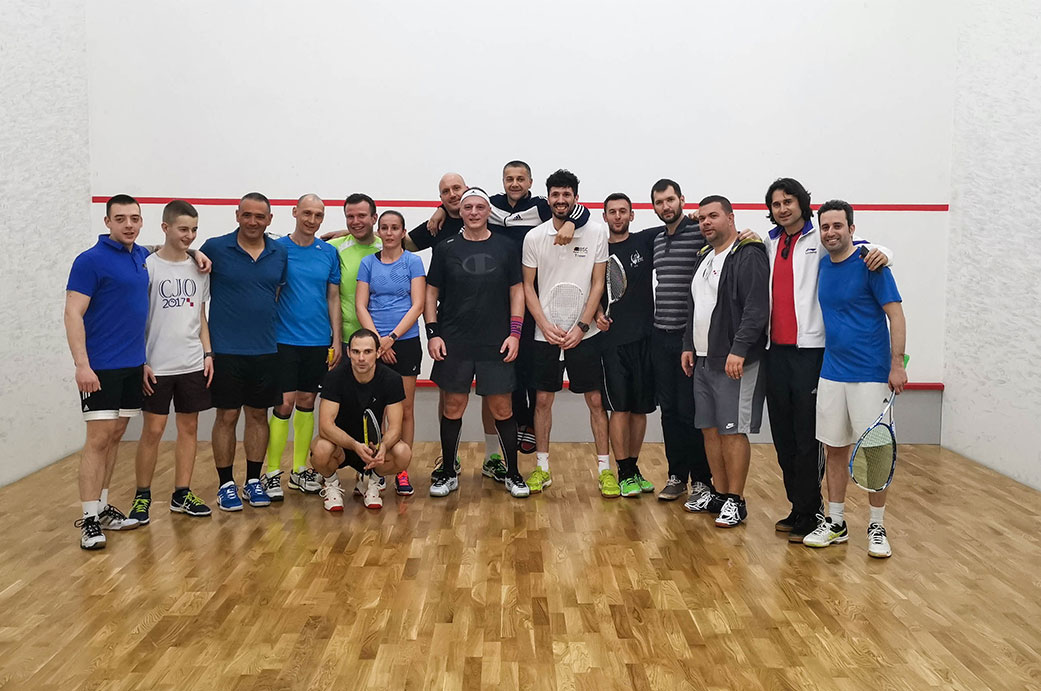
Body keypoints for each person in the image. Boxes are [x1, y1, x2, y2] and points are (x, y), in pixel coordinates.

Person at [760, 178, 893, 542]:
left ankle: (814, 510)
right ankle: (799, 507)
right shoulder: (770, 242)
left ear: (802, 204)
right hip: (776, 351)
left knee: (809, 439)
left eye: (788, 201)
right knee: (784, 438)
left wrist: (885, 252)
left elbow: (861, 247)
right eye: (776, 204)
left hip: (811, 352)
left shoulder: (818, 238)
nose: (782, 208)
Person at [803, 200, 906, 559]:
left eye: (837, 226)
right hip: (832, 373)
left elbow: (896, 316)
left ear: (851, 228)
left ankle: (877, 525)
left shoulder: (871, 265)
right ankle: (836, 522)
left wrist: (897, 364)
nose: (830, 232)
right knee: (834, 449)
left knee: (875, 453)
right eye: (825, 226)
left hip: (871, 375)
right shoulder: (822, 265)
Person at [425, 187, 528, 498]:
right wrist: (433, 333)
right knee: (453, 406)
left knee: (502, 408)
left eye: (479, 207)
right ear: (461, 211)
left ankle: (513, 473)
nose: (473, 212)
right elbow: (431, 292)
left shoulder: (507, 247)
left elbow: (517, 291)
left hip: (496, 341)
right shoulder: (445, 248)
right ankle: (448, 472)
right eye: (467, 207)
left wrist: (515, 333)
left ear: (488, 211)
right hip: (454, 340)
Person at [681, 196, 770, 527]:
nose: (706, 222)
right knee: (710, 429)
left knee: (733, 431)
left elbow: (756, 307)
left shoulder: (748, 253)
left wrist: (740, 349)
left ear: (731, 218)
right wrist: (688, 344)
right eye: (702, 217)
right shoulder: (704, 256)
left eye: (714, 216)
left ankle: (736, 499)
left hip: (734, 361)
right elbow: (695, 306)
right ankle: (719, 493)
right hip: (703, 359)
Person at [65, 194, 148, 548]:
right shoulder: (89, 261)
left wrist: (194, 253)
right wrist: (82, 365)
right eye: (121, 219)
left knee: (115, 436)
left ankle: (101, 508)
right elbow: (73, 313)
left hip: (133, 365)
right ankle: (88, 520)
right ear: (107, 222)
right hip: (100, 368)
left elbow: (167, 248)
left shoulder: (141, 256)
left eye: (134, 218)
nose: (128, 225)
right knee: (98, 440)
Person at [521, 170, 611, 495]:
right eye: (555, 195)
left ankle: (605, 471)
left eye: (566, 194)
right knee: (543, 400)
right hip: (545, 334)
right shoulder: (534, 237)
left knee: (596, 400)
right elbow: (528, 287)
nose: (561, 200)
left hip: (585, 334)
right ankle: (542, 469)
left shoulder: (596, 232)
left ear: (576, 197)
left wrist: (583, 326)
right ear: (548, 199)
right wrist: (544, 325)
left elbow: (598, 283)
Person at [200, 192, 288, 511]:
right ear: (237, 215)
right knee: (226, 416)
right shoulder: (214, 248)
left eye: (259, 216)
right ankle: (226, 484)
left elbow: (275, 292)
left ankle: (252, 480)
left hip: (265, 348)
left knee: (258, 415)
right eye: (247, 215)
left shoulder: (279, 253)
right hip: (225, 350)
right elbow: (181, 258)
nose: (253, 221)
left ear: (269, 219)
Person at [129, 200, 213, 525]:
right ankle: (142, 496)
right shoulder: (147, 267)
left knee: (189, 429)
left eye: (194, 230)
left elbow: (200, 316)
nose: (189, 235)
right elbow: (138, 319)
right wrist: (142, 360)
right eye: (183, 229)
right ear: (165, 228)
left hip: (192, 362)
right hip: (157, 365)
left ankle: (182, 494)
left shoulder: (199, 267)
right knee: (153, 430)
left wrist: (208, 354)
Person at [263, 194, 342, 500]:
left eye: (318, 215)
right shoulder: (278, 249)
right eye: (307, 213)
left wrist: (336, 338)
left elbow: (333, 297)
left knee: (308, 400)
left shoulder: (328, 253)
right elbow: (271, 293)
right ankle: (272, 472)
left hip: (318, 340)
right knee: (284, 403)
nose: (312, 220)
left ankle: (299, 470)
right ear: (295, 212)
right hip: (283, 340)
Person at [648, 179, 713, 504]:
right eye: (659, 202)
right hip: (661, 337)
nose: (666, 206)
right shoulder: (658, 240)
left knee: (691, 411)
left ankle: (701, 479)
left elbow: (730, 239)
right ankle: (676, 476)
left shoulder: (699, 232)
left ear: (682, 200)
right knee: (669, 411)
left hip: (690, 341)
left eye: (670, 200)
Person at [356, 209, 426, 496]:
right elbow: (361, 305)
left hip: (405, 342)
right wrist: (377, 342)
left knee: (405, 409)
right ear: (378, 231)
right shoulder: (367, 263)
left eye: (394, 228)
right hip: (374, 345)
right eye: (384, 227)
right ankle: (377, 467)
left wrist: (392, 338)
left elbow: (417, 304)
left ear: (403, 232)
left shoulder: (413, 262)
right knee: (378, 410)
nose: (388, 232)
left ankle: (402, 468)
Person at [594, 193, 659, 497]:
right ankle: (623, 472)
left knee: (639, 410)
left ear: (632, 215)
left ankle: (634, 467)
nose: (618, 216)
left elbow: (680, 225)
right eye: (612, 212)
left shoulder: (645, 241)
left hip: (645, 339)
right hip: (612, 344)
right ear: (604, 216)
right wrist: (597, 313)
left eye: (623, 211)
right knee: (619, 408)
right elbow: (590, 288)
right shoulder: (598, 249)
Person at [309, 329, 413, 511]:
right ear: (348, 353)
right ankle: (331, 484)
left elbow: (395, 428)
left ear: (378, 353)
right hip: (341, 446)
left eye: (367, 352)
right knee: (320, 449)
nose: (361, 358)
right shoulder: (334, 377)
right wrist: (354, 445)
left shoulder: (392, 379)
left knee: (403, 453)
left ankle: (371, 483)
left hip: (372, 447)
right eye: (356, 352)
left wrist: (383, 447)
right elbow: (325, 426)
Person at [328, 193, 383, 343]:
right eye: (350, 217)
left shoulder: (388, 248)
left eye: (361, 216)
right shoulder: (333, 247)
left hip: (384, 340)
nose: (355, 222)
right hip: (345, 341)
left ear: (374, 218)